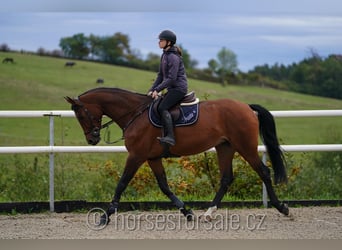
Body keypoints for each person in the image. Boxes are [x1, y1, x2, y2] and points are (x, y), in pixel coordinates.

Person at [148, 30, 188, 146]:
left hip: (178, 89)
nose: (159, 42)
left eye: (161, 40)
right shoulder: (164, 55)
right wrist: (152, 89)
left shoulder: (173, 57)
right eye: (159, 40)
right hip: (172, 89)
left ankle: (170, 137)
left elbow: (171, 78)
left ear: (169, 42)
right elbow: (160, 75)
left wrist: (158, 90)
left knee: (162, 107)